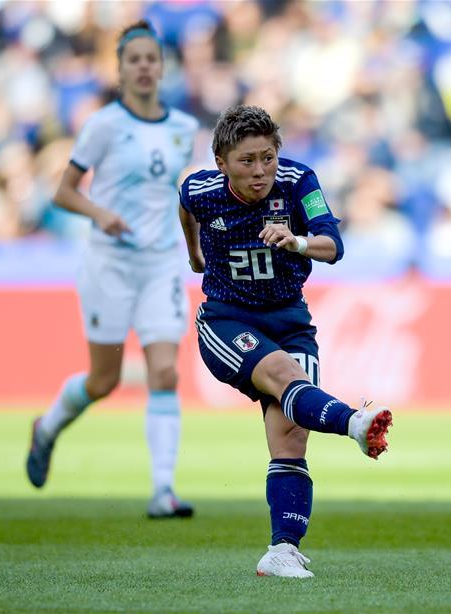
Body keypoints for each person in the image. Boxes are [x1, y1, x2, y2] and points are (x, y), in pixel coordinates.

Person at [179, 105, 393, 578]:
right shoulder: (201, 188)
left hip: (290, 319)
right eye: (247, 160)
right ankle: (355, 423)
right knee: (280, 374)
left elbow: (333, 245)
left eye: (268, 158)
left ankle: (282, 551)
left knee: (292, 437)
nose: (260, 172)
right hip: (227, 320)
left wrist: (296, 241)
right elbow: (186, 204)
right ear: (221, 162)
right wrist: (195, 255)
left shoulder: (298, 182)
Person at [26, 21, 200, 519]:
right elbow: (63, 192)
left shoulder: (182, 129)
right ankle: (47, 428)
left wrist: (192, 247)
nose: (144, 67)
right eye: (134, 60)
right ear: (120, 69)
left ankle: (163, 492)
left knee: (164, 370)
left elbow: (178, 199)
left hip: (162, 263)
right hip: (109, 262)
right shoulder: (103, 124)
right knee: (103, 382)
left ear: (162, 67)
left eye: (152, 58)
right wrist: (100, 214)